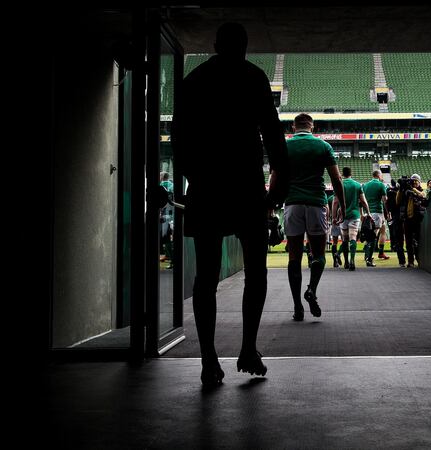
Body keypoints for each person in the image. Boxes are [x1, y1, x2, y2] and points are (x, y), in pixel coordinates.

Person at [171, 22, 289, 386]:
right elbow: (272, 132)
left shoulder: (194, 80)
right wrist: (279, 183)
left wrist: (193, 179)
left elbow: (179, 137)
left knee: (205, 276)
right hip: (246, 186)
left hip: (207, 187)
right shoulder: (253, 77)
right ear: (245, 45)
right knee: (256, 270)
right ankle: (249, 348)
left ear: (215, 44)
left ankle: (209, 359)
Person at [283, 113, 345, 321]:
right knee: (318, 254)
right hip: (316, 204)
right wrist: (342, 206)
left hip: (292, 204)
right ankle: (312, 290)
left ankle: (297, 307)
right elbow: (336, 179)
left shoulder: (285, 146)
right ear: (312, 127)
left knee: (294, 256)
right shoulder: (323, 146)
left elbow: (275, 177)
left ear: (293, 127)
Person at [336, 167, 369, 271]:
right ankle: (352, 261)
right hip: (354, 215)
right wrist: (368, 212)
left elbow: (336, 202)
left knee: (345, 239)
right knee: (353, 238)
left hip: (343, 216)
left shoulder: (339, 184)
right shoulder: (357, 185)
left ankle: (343, 260)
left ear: (343, 173)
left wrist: (334, 216)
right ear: (351, 173)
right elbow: (363, 201)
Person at [397, 173, 427, 267]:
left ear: (419, 182)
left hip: (418, 219)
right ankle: (410, 261)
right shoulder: (406, 191)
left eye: (416, 181)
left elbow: (423, 196)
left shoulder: (421, 190)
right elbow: (397, 201)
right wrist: (401, 189)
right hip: (407, 219)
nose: (414, 183)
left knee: (418, 241)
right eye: (412, 181)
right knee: (409, 242)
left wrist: (413, 189)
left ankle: (420, 260)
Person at [361, 170, 388, 267]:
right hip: (377, 211)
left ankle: (380, 252)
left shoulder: (365, 185)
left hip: (368, 212)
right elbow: (385, 200)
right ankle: (368, 258)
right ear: (379, 175)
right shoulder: (381, 185)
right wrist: (387, 212)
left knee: (383, 229)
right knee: (373, 235)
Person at [386, 178, 407, 267]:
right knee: (405, 240)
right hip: (404, 217)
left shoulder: (390, 193)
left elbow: (388, 205)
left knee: (399, 241)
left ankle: (402, 261)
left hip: (397, 217)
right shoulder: (403, 192)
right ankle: (408, 260)